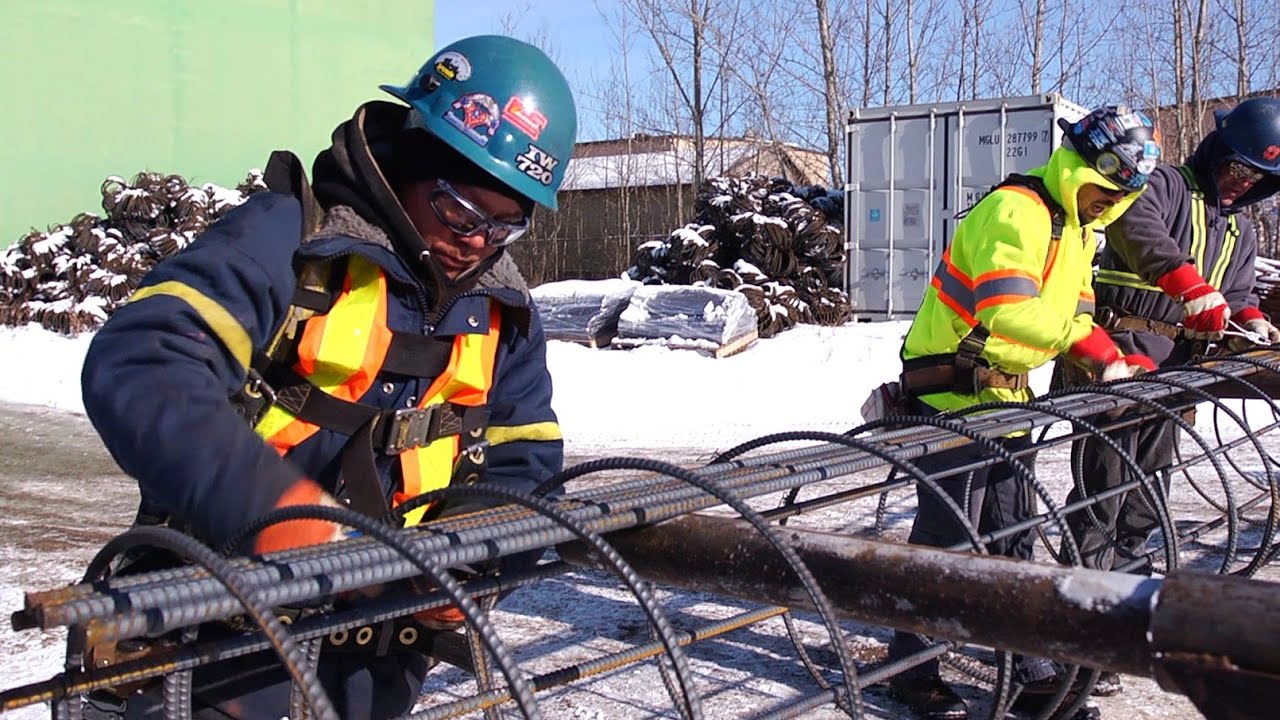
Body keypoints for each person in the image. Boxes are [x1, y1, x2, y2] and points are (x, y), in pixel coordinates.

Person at [79, 34, 574, 720]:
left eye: (505, 227)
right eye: (460, 211)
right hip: (214, 629)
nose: (476, 243)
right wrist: (273, 511)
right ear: (413, 157)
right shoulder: (288, 241)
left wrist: (459, 567)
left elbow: (529, 460)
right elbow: (140, 362)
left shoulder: (502, 310)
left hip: (375, 654)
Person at [884, 106, 1161, 720]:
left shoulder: (1079, 228)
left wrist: (1106, 357)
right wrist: (1082, 344)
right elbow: (1007, 309)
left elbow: (1077, 313)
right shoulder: (1018, 210)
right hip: (949, 391)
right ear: (1079, 166)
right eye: (1102, 190)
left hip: (1005, 394)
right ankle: (909, 668)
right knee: (948, 537)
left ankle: (1025, 667)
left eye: (1117, 198)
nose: (1105, 204)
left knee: (1012, 533)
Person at [1061, 96, 1280, 696]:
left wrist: (1250, 316)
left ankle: (1125, 622)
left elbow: (1234, 292)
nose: (1242, 184)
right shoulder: (1158, 186)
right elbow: (1138, 233)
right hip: (1120, 363)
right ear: (1216, 153)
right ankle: (1074, 631)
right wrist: (1185, 283)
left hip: (1178, 375)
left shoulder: (1239, 225)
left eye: (1256, 179)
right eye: (1236, 169)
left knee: (1142, 500)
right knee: (1101, 498)